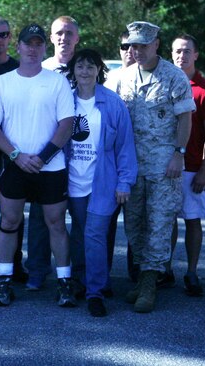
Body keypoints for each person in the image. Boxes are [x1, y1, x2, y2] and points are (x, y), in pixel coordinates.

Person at [0, 23, 75, 307]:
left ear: (43, 48)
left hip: (51, 167)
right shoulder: (3, 82)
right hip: (14, 166)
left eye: (37, 44)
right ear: (18, 47)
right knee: (9, 222)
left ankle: (64, 283)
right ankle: (4, 282)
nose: (32, 49)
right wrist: (17, 156)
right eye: (27, 43)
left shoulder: (57, 81)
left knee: (56, 224)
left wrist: (43, 156)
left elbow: (67, 124)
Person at [117, 21, 195, 313]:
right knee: (135, 221)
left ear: (156, 44)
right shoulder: (122, 78)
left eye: (142, 45)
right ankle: (140, 276)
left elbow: (185, 119)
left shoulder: (174, 77)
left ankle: (150, 282)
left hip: (164, 162)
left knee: (160, 222)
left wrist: (179, 153)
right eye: (132, 45)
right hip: (132, 163)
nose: (136, 51)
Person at [65, 48, 137, 317]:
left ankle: (95, 293)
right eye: (80, 66)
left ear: (99, 70)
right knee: (79, 234)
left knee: (95, 235)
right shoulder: (66, 101)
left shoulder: (113, 103)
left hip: (103, 182)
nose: (84, 71)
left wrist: (125, 182)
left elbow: (125, 146)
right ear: (73, 70)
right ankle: (82, 281)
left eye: (90, 66)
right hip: (73, 180)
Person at [26, 15, 80, 291]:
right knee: (39, 218)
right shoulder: (41, 68)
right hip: (46, 156)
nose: (64, 38)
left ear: (77, 38)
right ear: (51, 37)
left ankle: (80, 274)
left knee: (82, 219)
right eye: (59, 33)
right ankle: (36, 270)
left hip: (81, 155)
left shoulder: (86, 68)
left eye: (69, 33)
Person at [168, 34, 205, 297]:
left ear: (196, 55)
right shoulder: (163, 83)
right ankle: (163, 269)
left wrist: (204, 168)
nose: (182, 56)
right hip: (165, 166)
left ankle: (191, 272)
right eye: (177, 51)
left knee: (191, 221)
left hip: (191, 168)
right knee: (166, 221)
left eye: (187, 51)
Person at [0, 16, 27, 283]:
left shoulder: (19, 68)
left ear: (11, 37)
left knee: (13, 209)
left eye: (3, 34)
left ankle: (13, 264)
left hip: (10, 146)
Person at [105, 31, 139, 283]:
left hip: (144, 158)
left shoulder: (155, 77)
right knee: (105, 221)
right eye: (124, 46)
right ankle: (101, 272)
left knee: (137, 222)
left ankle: (137, 273)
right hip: (111, 162)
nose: (129, 50)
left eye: (134, 46)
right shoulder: (110, 79)